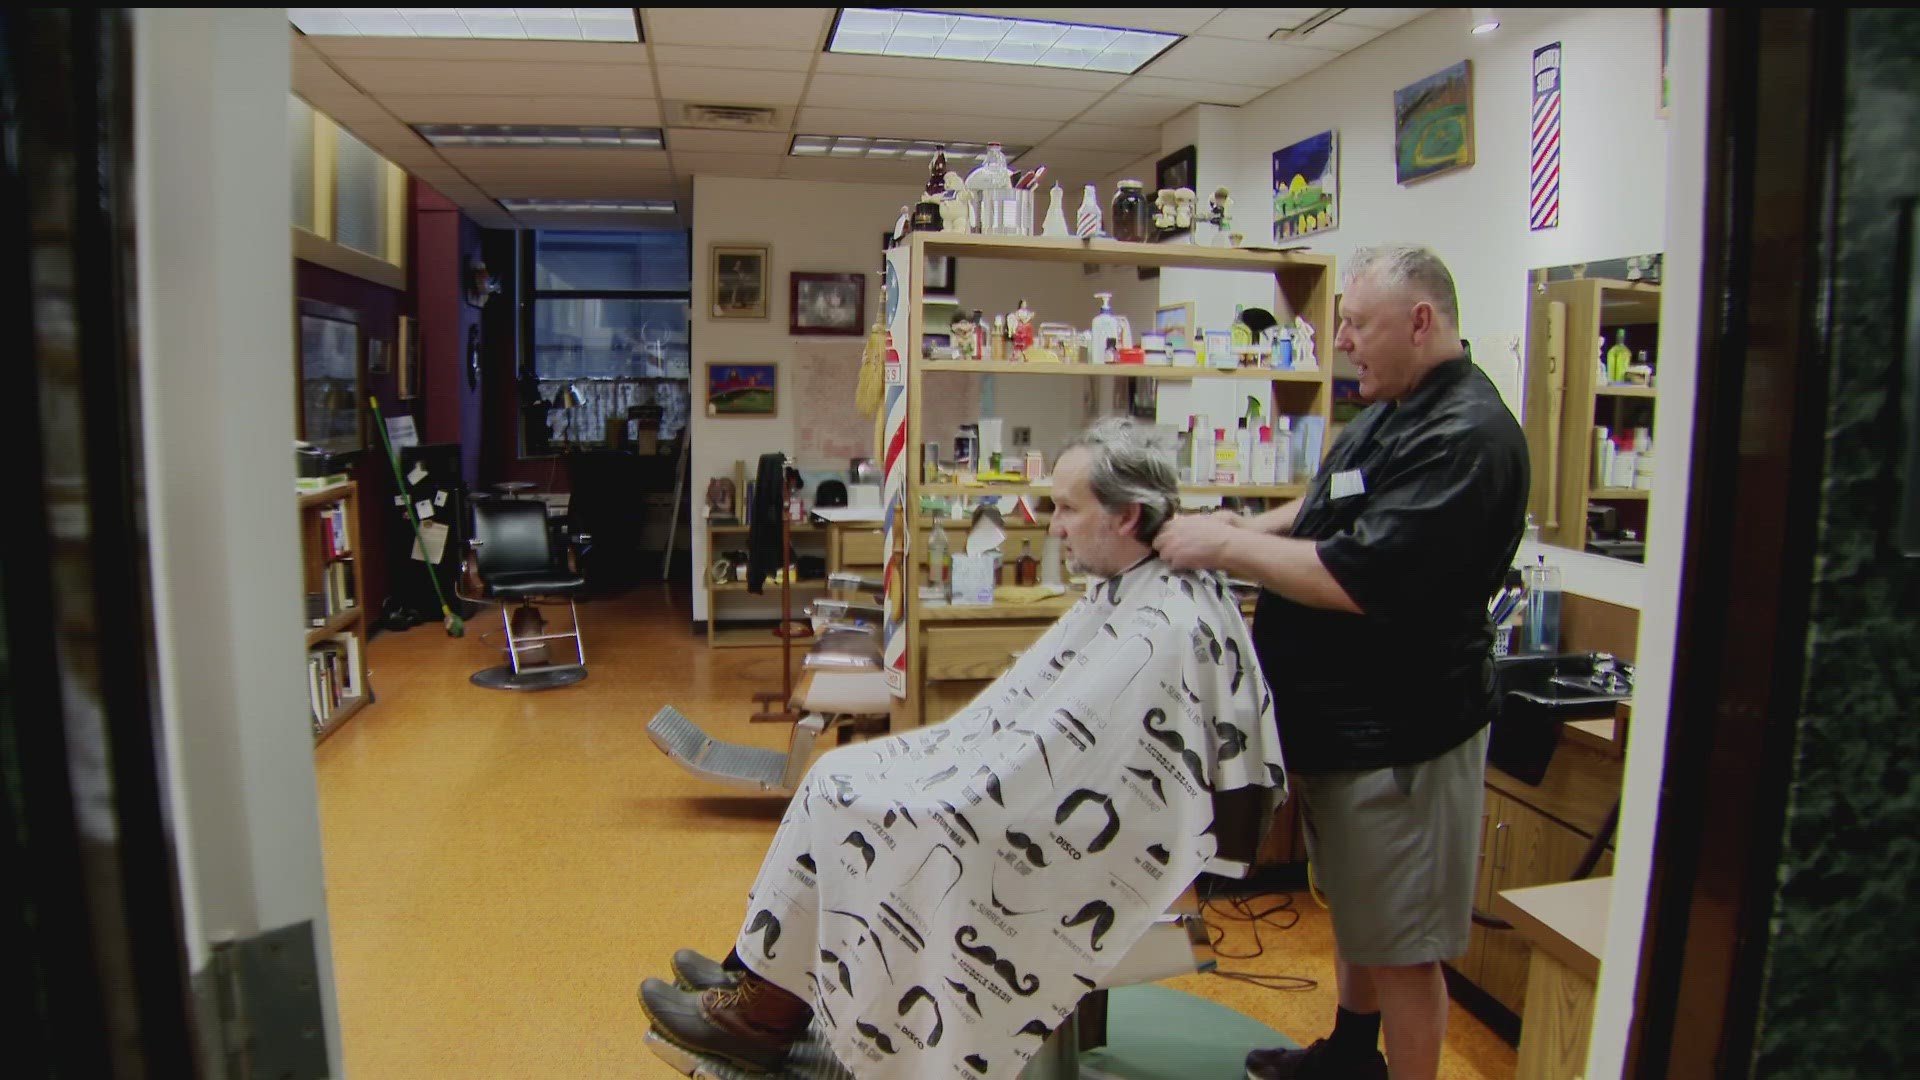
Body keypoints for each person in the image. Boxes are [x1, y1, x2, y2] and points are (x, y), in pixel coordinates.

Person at [639, 417, 1287, 1078]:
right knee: (835, 773)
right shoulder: (1135, 589)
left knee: (852, 800)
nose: (1053, 524)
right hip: (1026, 793)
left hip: (1059, 832)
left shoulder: (1169, 619)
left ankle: (760, 1016)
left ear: (1127, 517)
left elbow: (1107, 781)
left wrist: (959, 786)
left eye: (1066, 508)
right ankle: (756, 972)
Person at [1153, 245, 1528, 1080]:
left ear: (1421, 321)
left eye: (1357, 323)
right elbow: (1327, 505)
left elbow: (1358, 576)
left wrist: (1227, 547)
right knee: (1362, 910)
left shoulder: (1465, 437)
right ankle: (1352, 1057)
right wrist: (1245, 527)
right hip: (1345, 723)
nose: (1344, 341)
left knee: (1403, 943)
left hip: (1405, 735)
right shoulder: (1396, 408)